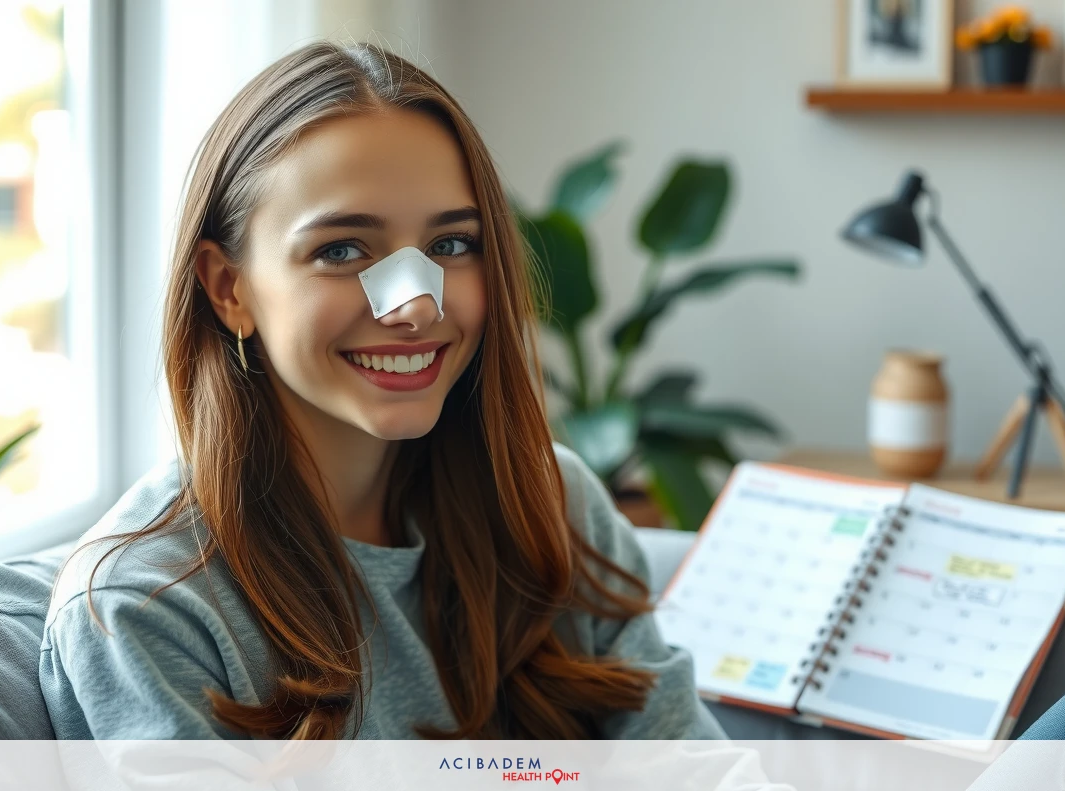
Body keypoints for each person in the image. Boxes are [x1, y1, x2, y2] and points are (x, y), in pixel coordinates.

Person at [38, 39, 727, 743]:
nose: (415, 308)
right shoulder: (142, 607)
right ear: (228, 289)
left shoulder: (552, 501)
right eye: (341, 250)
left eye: (451, 245)